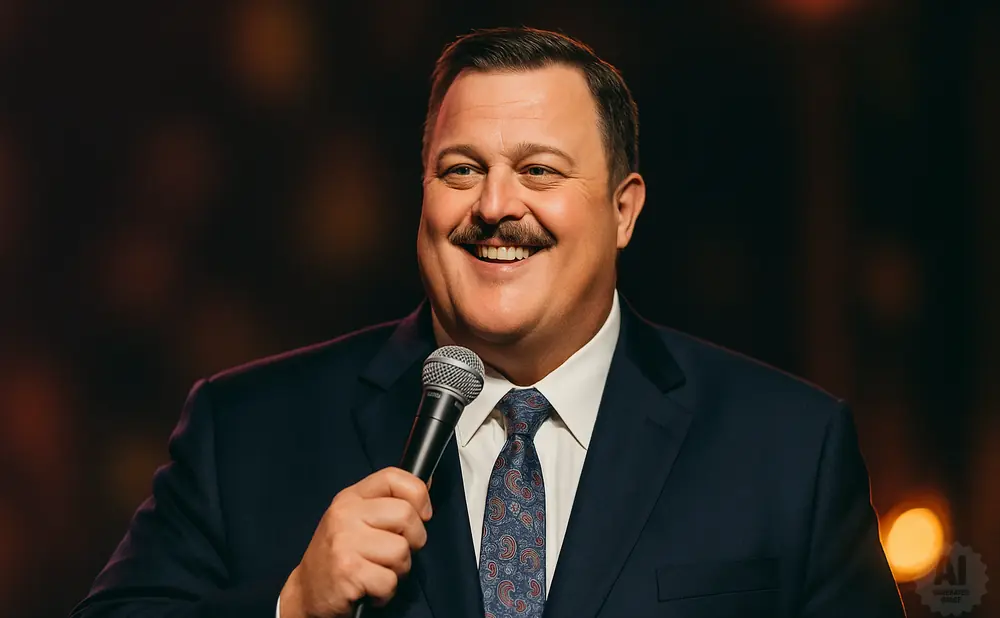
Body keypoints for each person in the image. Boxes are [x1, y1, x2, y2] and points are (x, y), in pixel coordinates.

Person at [71, 27, 906, 618]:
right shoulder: (246, 428)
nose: (496, 206)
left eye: (538, 171)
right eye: (461, 169)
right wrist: (293, 605)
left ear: (624, 211)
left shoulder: (789, 448)